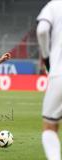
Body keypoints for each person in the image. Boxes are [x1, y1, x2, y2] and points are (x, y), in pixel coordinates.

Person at [37, 1, 62, 160]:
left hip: (59, 71)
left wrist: (46, 57)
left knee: (50, 126)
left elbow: (42, 30)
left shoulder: (55, 5)